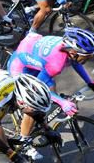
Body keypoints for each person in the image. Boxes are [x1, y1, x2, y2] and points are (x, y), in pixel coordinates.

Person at [8, 28, 94, 158]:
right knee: (34, 105)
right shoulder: (56, 63)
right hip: (19, 67)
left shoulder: (68, 50)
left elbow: (76, 63)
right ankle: (23, 141)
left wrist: (90, 82)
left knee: (51, 89)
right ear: (73, 52)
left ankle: (43, 121)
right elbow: (39, 89)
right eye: (87, 56)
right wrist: (63, 102)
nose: (90, 57)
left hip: (35, 62)